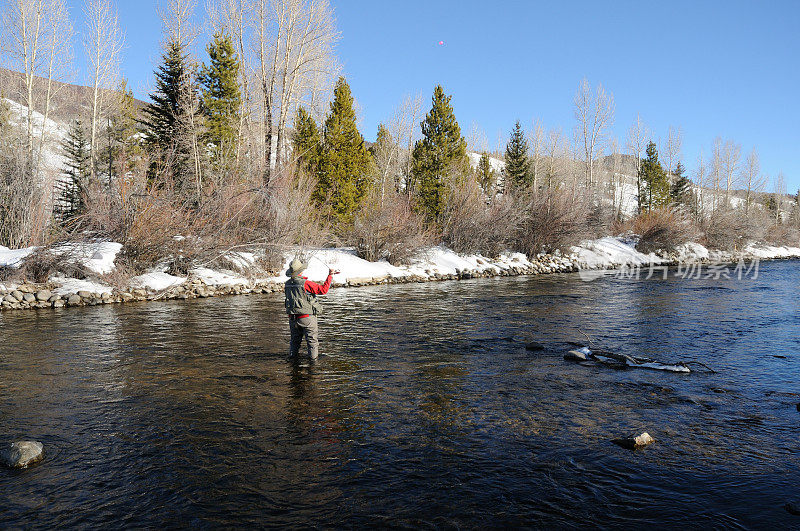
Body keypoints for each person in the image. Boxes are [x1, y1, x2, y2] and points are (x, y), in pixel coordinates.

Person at [284, 258, 336, 360]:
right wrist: (330, 275)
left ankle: (292, 361)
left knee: (294, 341)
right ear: (301, 271)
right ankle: (314, 366)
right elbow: (323, 290)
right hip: (307, 318)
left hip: (292, 318)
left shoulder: (287, 284)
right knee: (312, 342)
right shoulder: (306, 283)